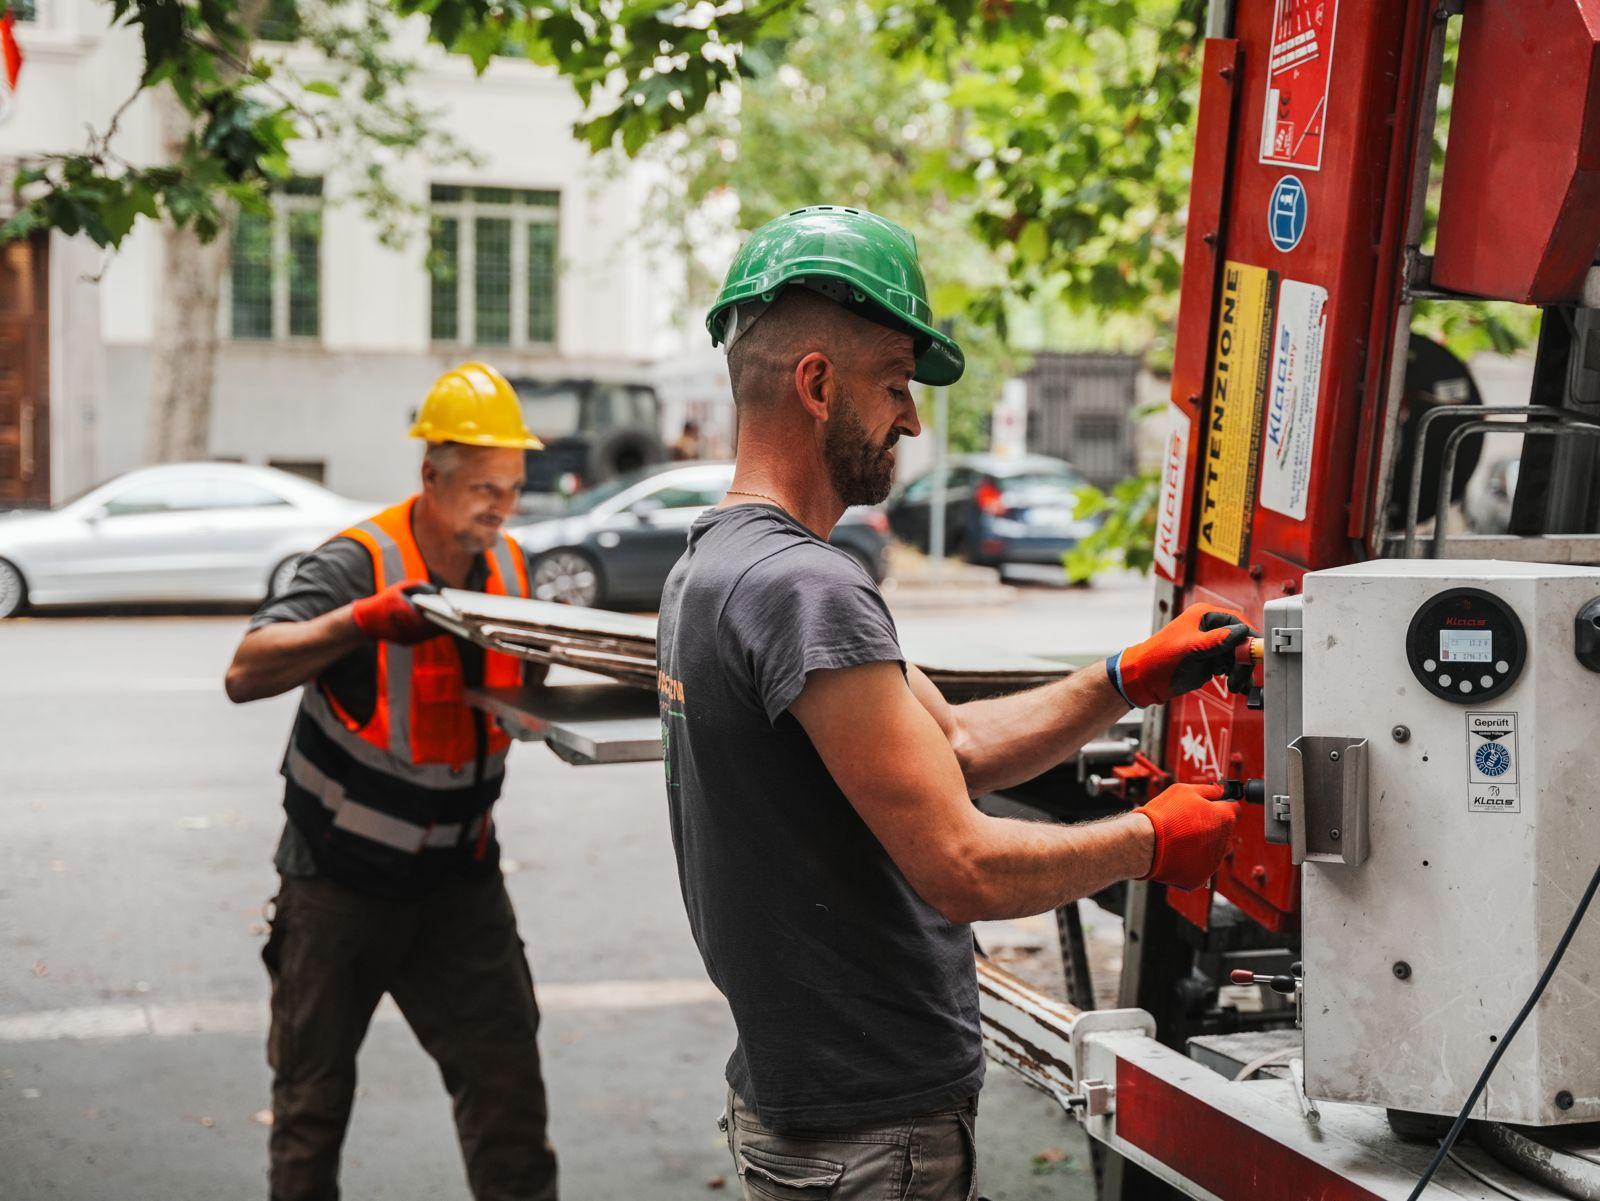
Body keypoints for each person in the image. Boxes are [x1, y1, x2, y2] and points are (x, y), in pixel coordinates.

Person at [656, 206, 1253, 1201]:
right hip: (869, 1130)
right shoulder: (805, 587)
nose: (911, 419)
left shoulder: (712, 565)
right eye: (894, 385)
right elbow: (963, 865)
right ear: (816, 384)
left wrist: (1125, 677)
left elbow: (960, 745)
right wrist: (1153, 838)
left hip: (811, 1110)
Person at [225, 361, 559, 1201]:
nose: (499, 505)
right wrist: (363, 622)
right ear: (429, 475)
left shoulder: (513, 568)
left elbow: (527, 701)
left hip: (460, 879)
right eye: (483, 486)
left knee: (509, 1095)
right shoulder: (357, 561)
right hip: (337, 885)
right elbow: (245, 670)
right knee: (311, 1104)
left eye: (512, 487)